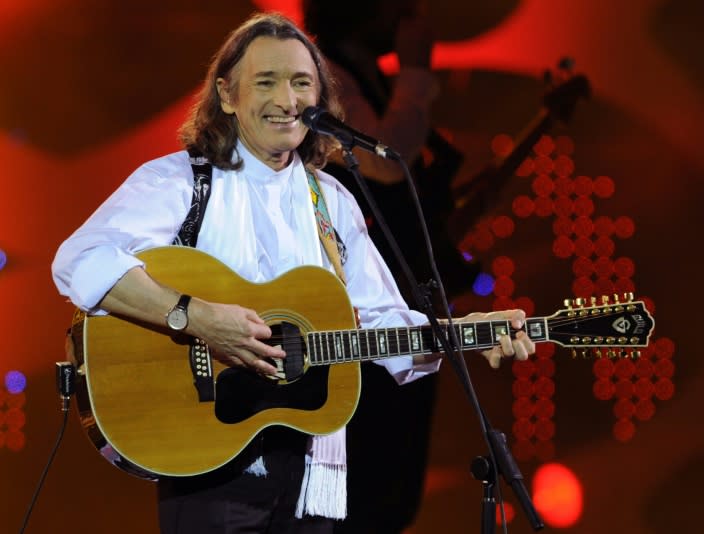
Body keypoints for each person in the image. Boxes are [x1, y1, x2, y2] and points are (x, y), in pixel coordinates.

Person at [52, 11, 534, 534]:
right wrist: (194, 318)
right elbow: (80, 260)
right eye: (266, 82)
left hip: (312, 474)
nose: (287, 100)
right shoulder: (180, 183)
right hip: (210, 459)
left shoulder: (332, 201)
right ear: (228, 94)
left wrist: (464, 336)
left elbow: (383, 326)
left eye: (301, 83)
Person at [302, 2, 471, 532]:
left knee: (399, 460)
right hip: (360, 307)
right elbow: (384, 163)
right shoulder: (326, 77)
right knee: (375, 461)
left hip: (399, 296)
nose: (410, 14)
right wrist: (417, 69)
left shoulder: (363, 75)